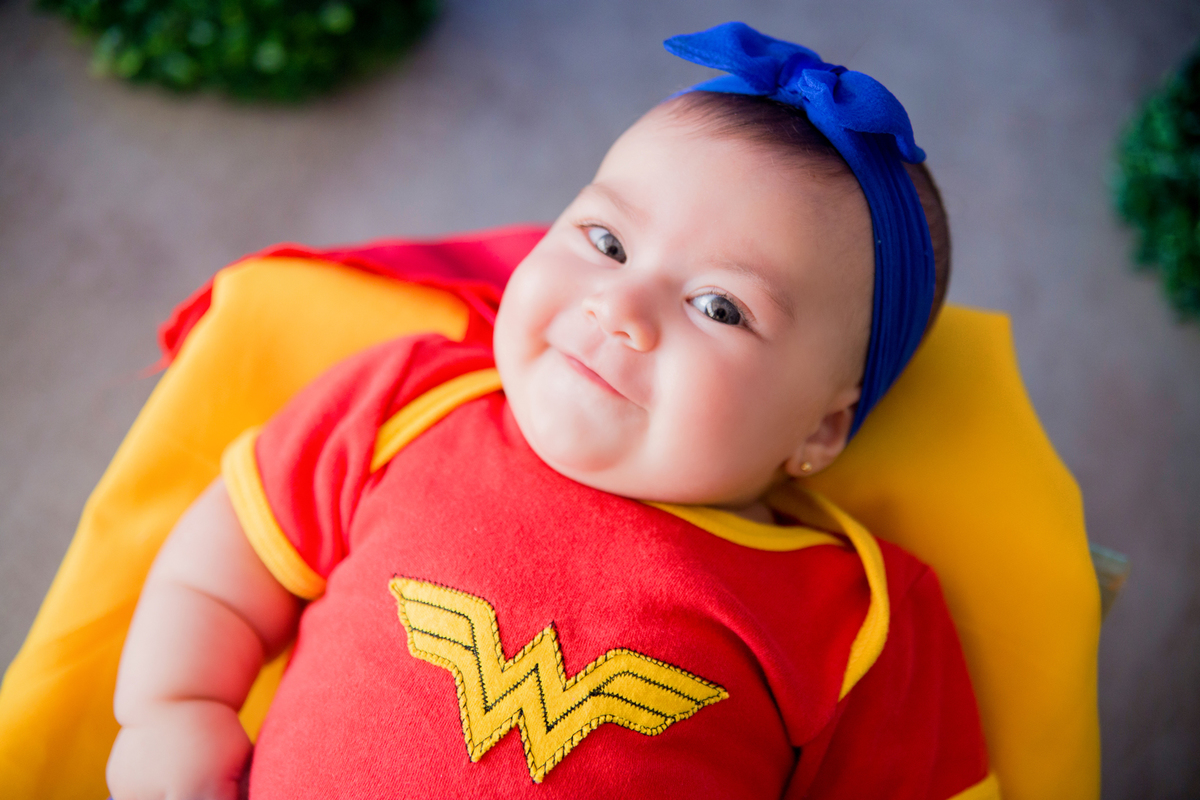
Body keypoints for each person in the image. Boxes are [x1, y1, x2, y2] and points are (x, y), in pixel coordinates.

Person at [106, 22, 996, 800]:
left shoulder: (851, 618)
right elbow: (225, 562)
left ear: (820, 429)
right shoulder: (417, 400)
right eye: (605, 242)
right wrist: (172, 706)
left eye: (719, 307)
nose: (620, 309)